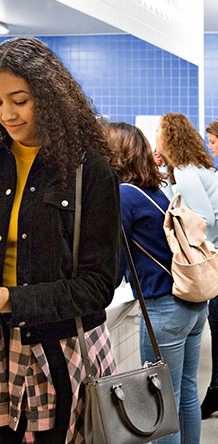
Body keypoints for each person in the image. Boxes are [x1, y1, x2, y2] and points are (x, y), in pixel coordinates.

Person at [0, 37, 121, 443]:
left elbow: (98, 286)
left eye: (19, 100)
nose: (6, 114)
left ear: (48, 98)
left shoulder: (90, 171)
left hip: (63, 356)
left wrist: (9, 300)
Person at [106, 121, 208, 444]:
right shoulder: (156, 192)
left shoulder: (123, 195)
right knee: (186, 391)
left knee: (161, 400)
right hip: (193, 304)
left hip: (164, 310)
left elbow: (117, 258)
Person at [157, 114, 218, 420]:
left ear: (169, 137)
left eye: (158, 131)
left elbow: (202, 220)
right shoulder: (194, 168)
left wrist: (186, 250)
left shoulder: (186, 171)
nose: (155, 136)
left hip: (207, 264)